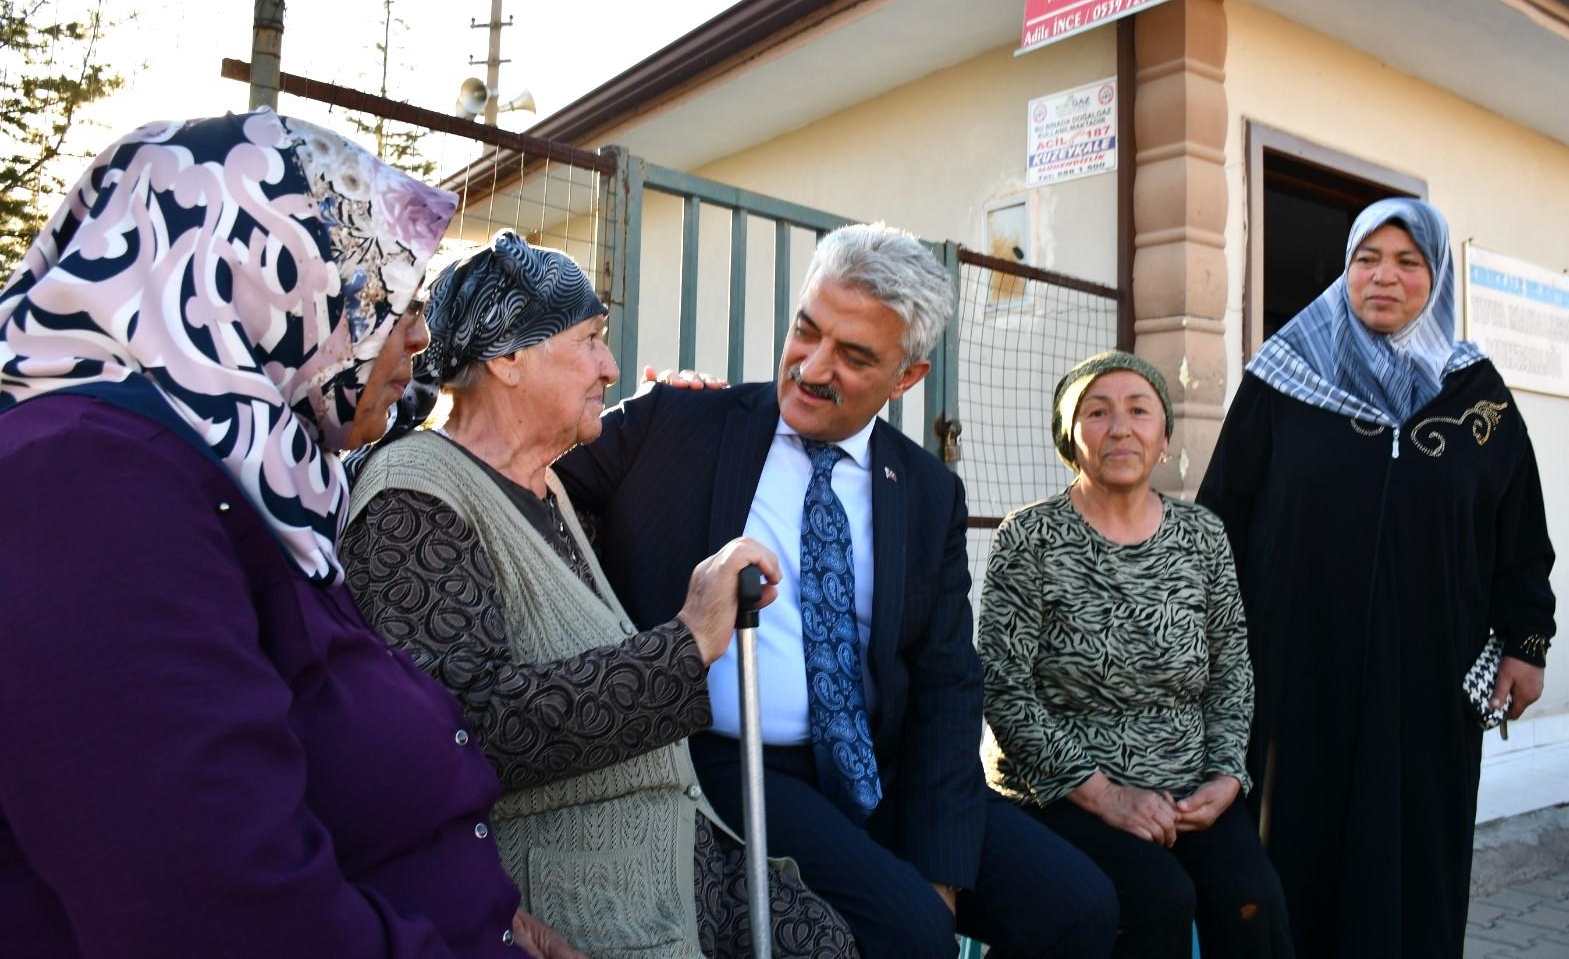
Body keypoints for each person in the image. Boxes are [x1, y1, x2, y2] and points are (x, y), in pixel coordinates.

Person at [0, 110, 551, 956]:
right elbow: (210, 909)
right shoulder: (83, 483)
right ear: (262, 273)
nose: (416, 338)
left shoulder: (252, 471)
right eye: (385, 298)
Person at [554, 223, 1119, 959]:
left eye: (853, 356)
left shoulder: (925, 490)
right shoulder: (679, 421)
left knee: (1079, 906)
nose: (812, 368)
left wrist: (941, 871)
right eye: (806, 331)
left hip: (873, 766)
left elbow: (947, 681)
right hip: (731, 758)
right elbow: (521, 474)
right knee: (909, 933)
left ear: (906, 377)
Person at [340, 230, 858, 959]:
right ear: (507, 359)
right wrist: (686, 642)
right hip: (574, 888)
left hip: (674, 847)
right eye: (588, 340)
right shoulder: (414, 498)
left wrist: (682, 419)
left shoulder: (546, 482)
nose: (609, 366)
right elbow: (466, 726)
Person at [1197, 198, 1557, 957]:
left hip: (1427, 680)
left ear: (1436, 278)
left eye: (1407, 262)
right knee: (1291, 855)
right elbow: (1217, 519)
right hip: (1293, 676)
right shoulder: (1281, 380)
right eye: (1367, 260)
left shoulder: (1477, 396)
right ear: (1345, 271)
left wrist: (1526, 641)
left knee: (1414, 862)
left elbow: (1519, 533)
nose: (1383, 278)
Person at [979, 351, 1292, 958]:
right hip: (1064, 791)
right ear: (1069, 440)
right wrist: (1107, 796)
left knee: (1253, 900)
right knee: (1156, 897)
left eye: (1139, 410)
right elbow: (1003, 689)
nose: (1120, 427)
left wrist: (1227, 775)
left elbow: (1232, 670)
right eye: (1096, 412)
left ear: (1164, 437)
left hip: (1184, 789)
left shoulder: (1203, 536)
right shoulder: (1029, 538)